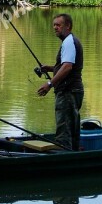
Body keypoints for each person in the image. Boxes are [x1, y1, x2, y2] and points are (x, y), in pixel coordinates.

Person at [37, 13, 84, 151]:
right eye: (54, 25)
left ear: (68, 26)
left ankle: (63, 159)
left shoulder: (69, 42)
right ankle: (74, 156)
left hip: (67, 92)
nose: (55, 28)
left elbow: (67, 67)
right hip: (74, 91)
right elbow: (67, 66)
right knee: (72, 129)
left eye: (58, 25)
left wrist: (49, 84)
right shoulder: (71, 41)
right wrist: (51, 68)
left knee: (64, 131)